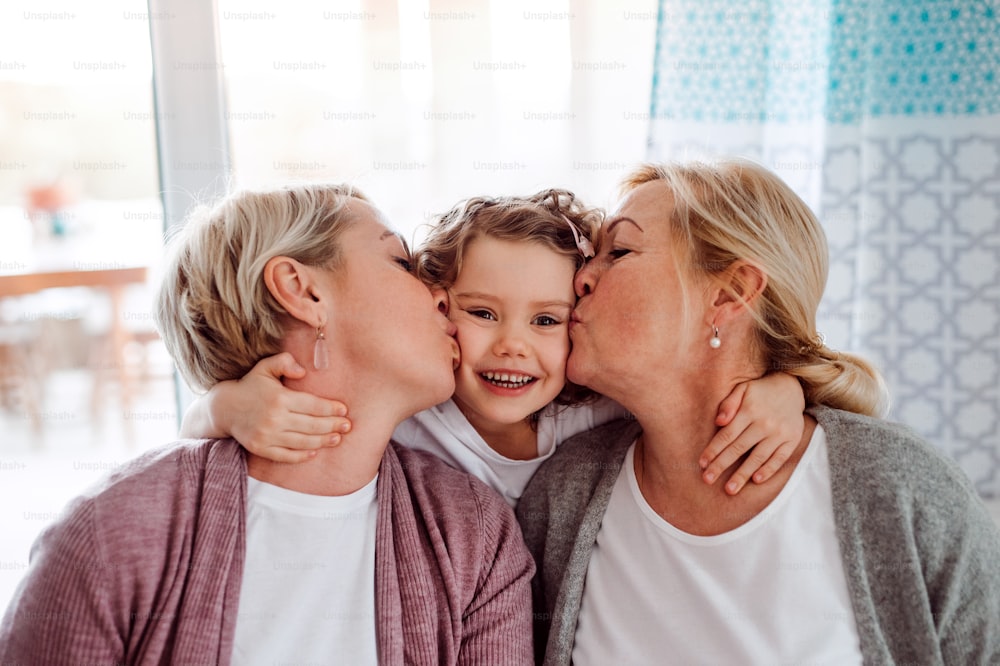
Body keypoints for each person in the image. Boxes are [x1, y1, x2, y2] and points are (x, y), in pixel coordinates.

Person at [0, 184, 535, 664]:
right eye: (400, 262)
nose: (442, 294)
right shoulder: (115, 532)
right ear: (302, 291)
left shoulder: (474, 535)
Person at [515, 160, 1000, 664]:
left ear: (729, 295)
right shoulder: (563, 495)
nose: (581, 280)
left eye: (618, 252)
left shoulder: (900, 487)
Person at [182, 190, 807, 506]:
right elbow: (197, 433)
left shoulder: (598, 416)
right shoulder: (414, 418)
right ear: (440, 304)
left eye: (546, 321)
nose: (512, 346)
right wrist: (222, 409)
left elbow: (700, 393)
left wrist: (784, 392)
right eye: (482, 313)